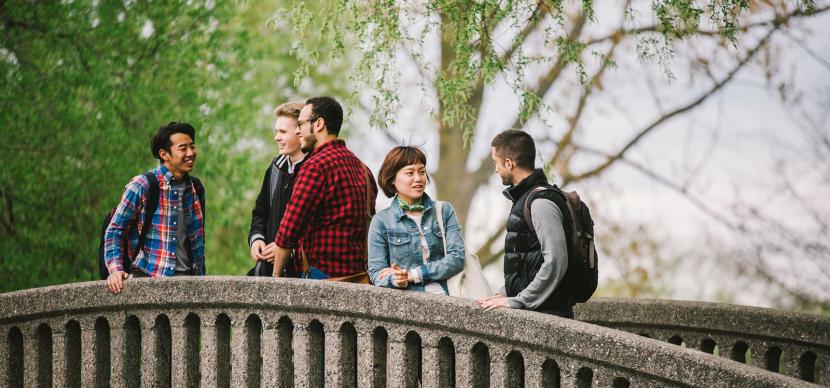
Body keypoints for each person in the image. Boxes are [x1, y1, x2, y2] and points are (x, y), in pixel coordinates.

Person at [271, 96, 378, 279]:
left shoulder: (316, 166)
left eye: (301, 124)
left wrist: (275, 278)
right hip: (360, 280)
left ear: (318, 124)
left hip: (321, 280)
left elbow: (289, 230)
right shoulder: (363, 169)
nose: (298, 132)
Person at [477, 129, 572, 318]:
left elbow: (556, 261)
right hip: (536, 311)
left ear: (509, 163)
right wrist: (505, 293)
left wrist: (519, 301)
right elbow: (526, 262)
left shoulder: (540, 202)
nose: (496, 169)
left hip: (549, 314)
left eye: (496, 162)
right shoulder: (525, 199)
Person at [104, 122, 206, 294]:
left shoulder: (196, 188)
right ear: (164, 154)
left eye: (192, 147)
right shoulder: (143, 185)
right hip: (149, 281)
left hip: (190, 284)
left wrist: (203, 282)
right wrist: (115, 270)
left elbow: (197, 243)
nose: (191, 153)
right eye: (183, 148)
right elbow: (115, 230)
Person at [367, 146, 464, 293]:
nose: (418, 178)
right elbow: (376, 273)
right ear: (392, 178)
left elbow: (457, 258)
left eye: (422, 172)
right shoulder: (381, 221)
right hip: (406, 304)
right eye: (410, 173)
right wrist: (396, 280)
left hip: (447, 298)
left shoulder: (444, 211)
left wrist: (413, 274)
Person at [247, 102, 307, 276]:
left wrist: (286, 250)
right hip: (267, 271)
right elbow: (260, 212)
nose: (277, 137)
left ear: (300, 132)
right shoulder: (275, 167)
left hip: (301, 275)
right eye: (276, 132)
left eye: (283, 132)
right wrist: (257, 239)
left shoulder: (315, 170)